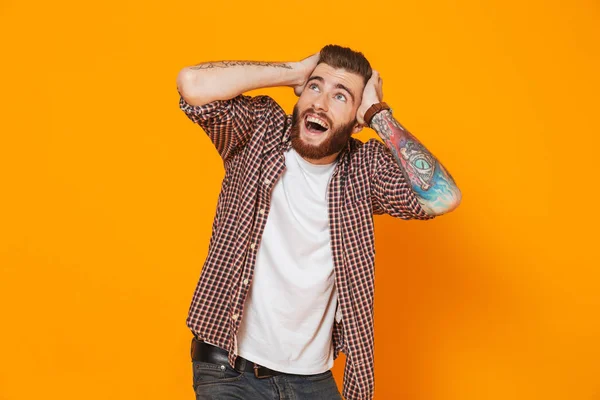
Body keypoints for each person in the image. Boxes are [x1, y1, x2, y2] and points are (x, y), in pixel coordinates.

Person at [176, 44, 462, 400]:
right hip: (229, 370)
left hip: (311, 382)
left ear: (358, 122)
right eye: (315, 87)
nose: (320, 103)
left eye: (340, 96)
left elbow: (443, 197)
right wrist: (293, 72)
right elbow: (192, 84)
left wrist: (379, 113)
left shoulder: (363, 169)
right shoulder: (259, 133)